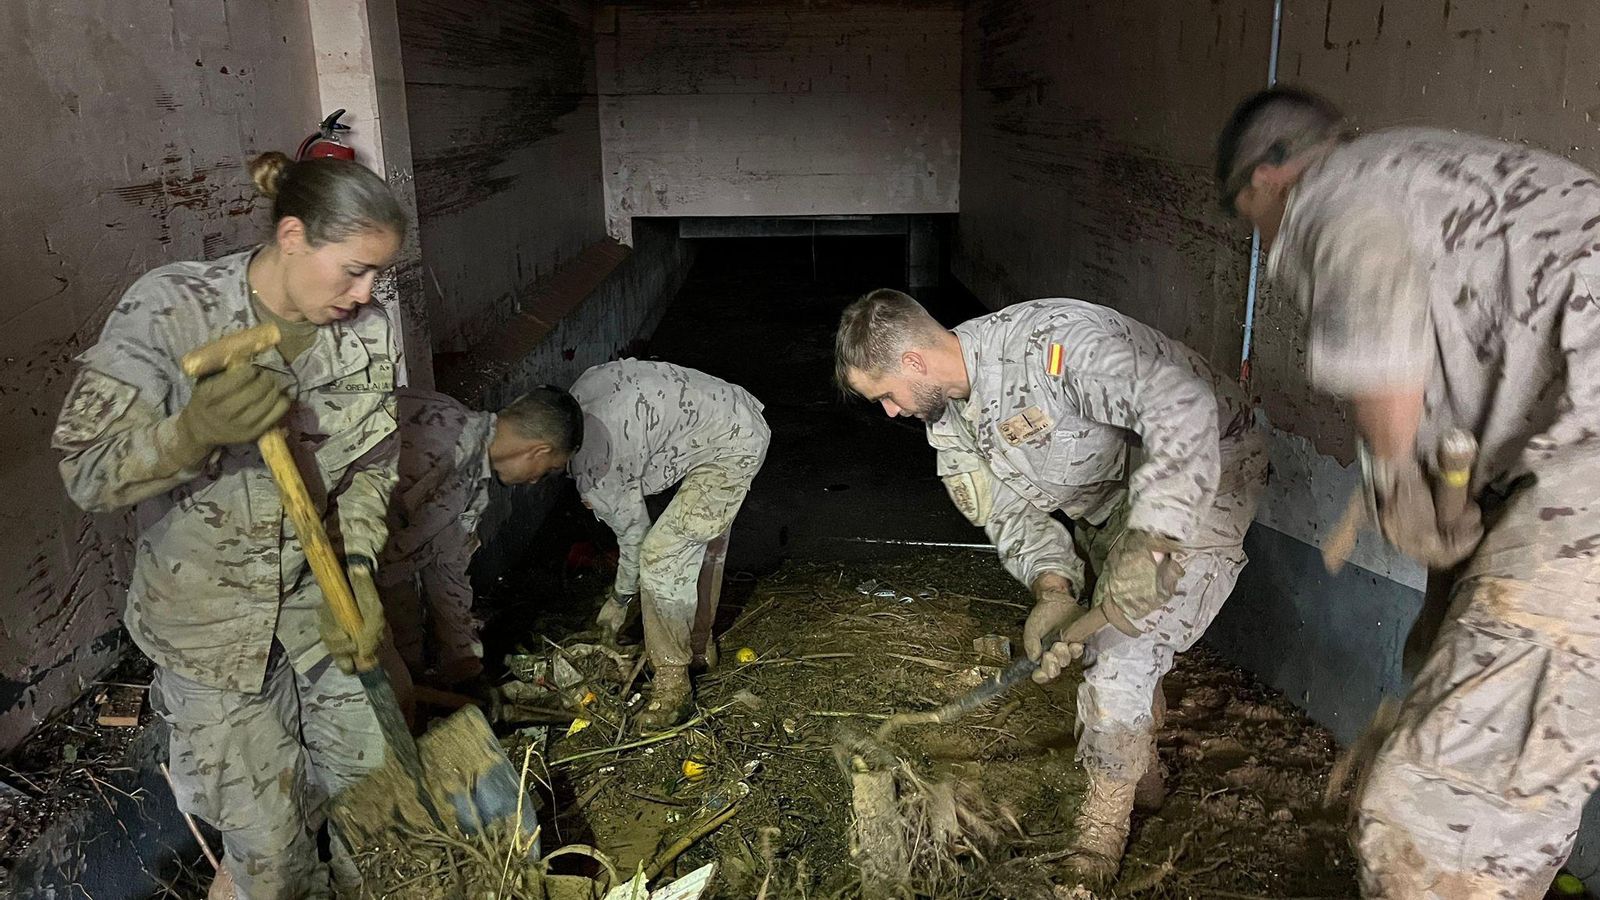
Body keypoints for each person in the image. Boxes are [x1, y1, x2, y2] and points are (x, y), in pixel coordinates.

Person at [1216, 86, 1600, 899]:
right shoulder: (1428, 175)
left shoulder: (1339, 193)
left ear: (1268, 178)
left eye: (1249, 213)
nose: (1262, 235)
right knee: (1504, 779)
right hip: (1561, 467)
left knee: (1430, 831)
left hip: (1585, 485)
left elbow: (1380, 337)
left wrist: (1392, 478)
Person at [52, 152, 407, 899]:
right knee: (272, 856)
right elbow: (86, 471)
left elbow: (373, 466)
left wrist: (366, 572)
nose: (367, 292)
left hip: (321, 611)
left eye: (379, 275)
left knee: (379, 812)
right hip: (208, 631)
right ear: (291, 236)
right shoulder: (172, 307)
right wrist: (190, 434)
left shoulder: (369, 333)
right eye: (352, 270)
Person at [835, 289, 1266, 884]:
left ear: (913, 361)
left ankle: (1097, 847)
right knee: (1112, 630)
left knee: (1123, 648)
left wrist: (1156, 537)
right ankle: (1141, 776)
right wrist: (1053, 589)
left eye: (884, 394)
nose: (888, 411)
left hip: (1207, 467)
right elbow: (1010, 515)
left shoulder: (1051, 347)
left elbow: (1181, 403)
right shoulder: (949, 424)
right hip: (1116, 500)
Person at [569, 359, 769, 728]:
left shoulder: (596, 466)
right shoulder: (579, 396)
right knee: (700, 537)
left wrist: (618, 601)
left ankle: (672, 684)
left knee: (662, 553)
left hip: (731, 445)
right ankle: (697, 648)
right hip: (730, 416)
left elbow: (636, 539)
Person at [379, 385, 582, 687]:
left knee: (409, 662)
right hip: (317, 571)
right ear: (538, 450)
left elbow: (447, 568)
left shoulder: (475, 485)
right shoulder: (438, 437)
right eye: (549, 468)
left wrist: (463, 660)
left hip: (385, 574)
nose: (537, 480)